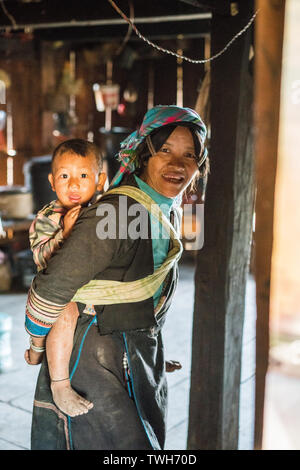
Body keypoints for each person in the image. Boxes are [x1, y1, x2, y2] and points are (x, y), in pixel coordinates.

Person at [25, 105, 209, 450]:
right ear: (143, 154)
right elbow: (51, 289)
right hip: (94, 354)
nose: (178, 164)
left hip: (132, 349)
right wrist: (39, 345)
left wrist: (147, 348)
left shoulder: (166, 206)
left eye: (190, 155)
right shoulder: (120, 211)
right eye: (165, 150)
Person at [25, 139, 106, 416]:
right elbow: (42, 259)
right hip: (59, 295)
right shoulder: (48, 217)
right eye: (64, 176)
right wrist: (66, 234)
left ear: (100, 180)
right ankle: (59, 385)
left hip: (94, 292)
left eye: (83, 176)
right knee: (66, 313)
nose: (73, 184)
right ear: (51, 181)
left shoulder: (102, 212)